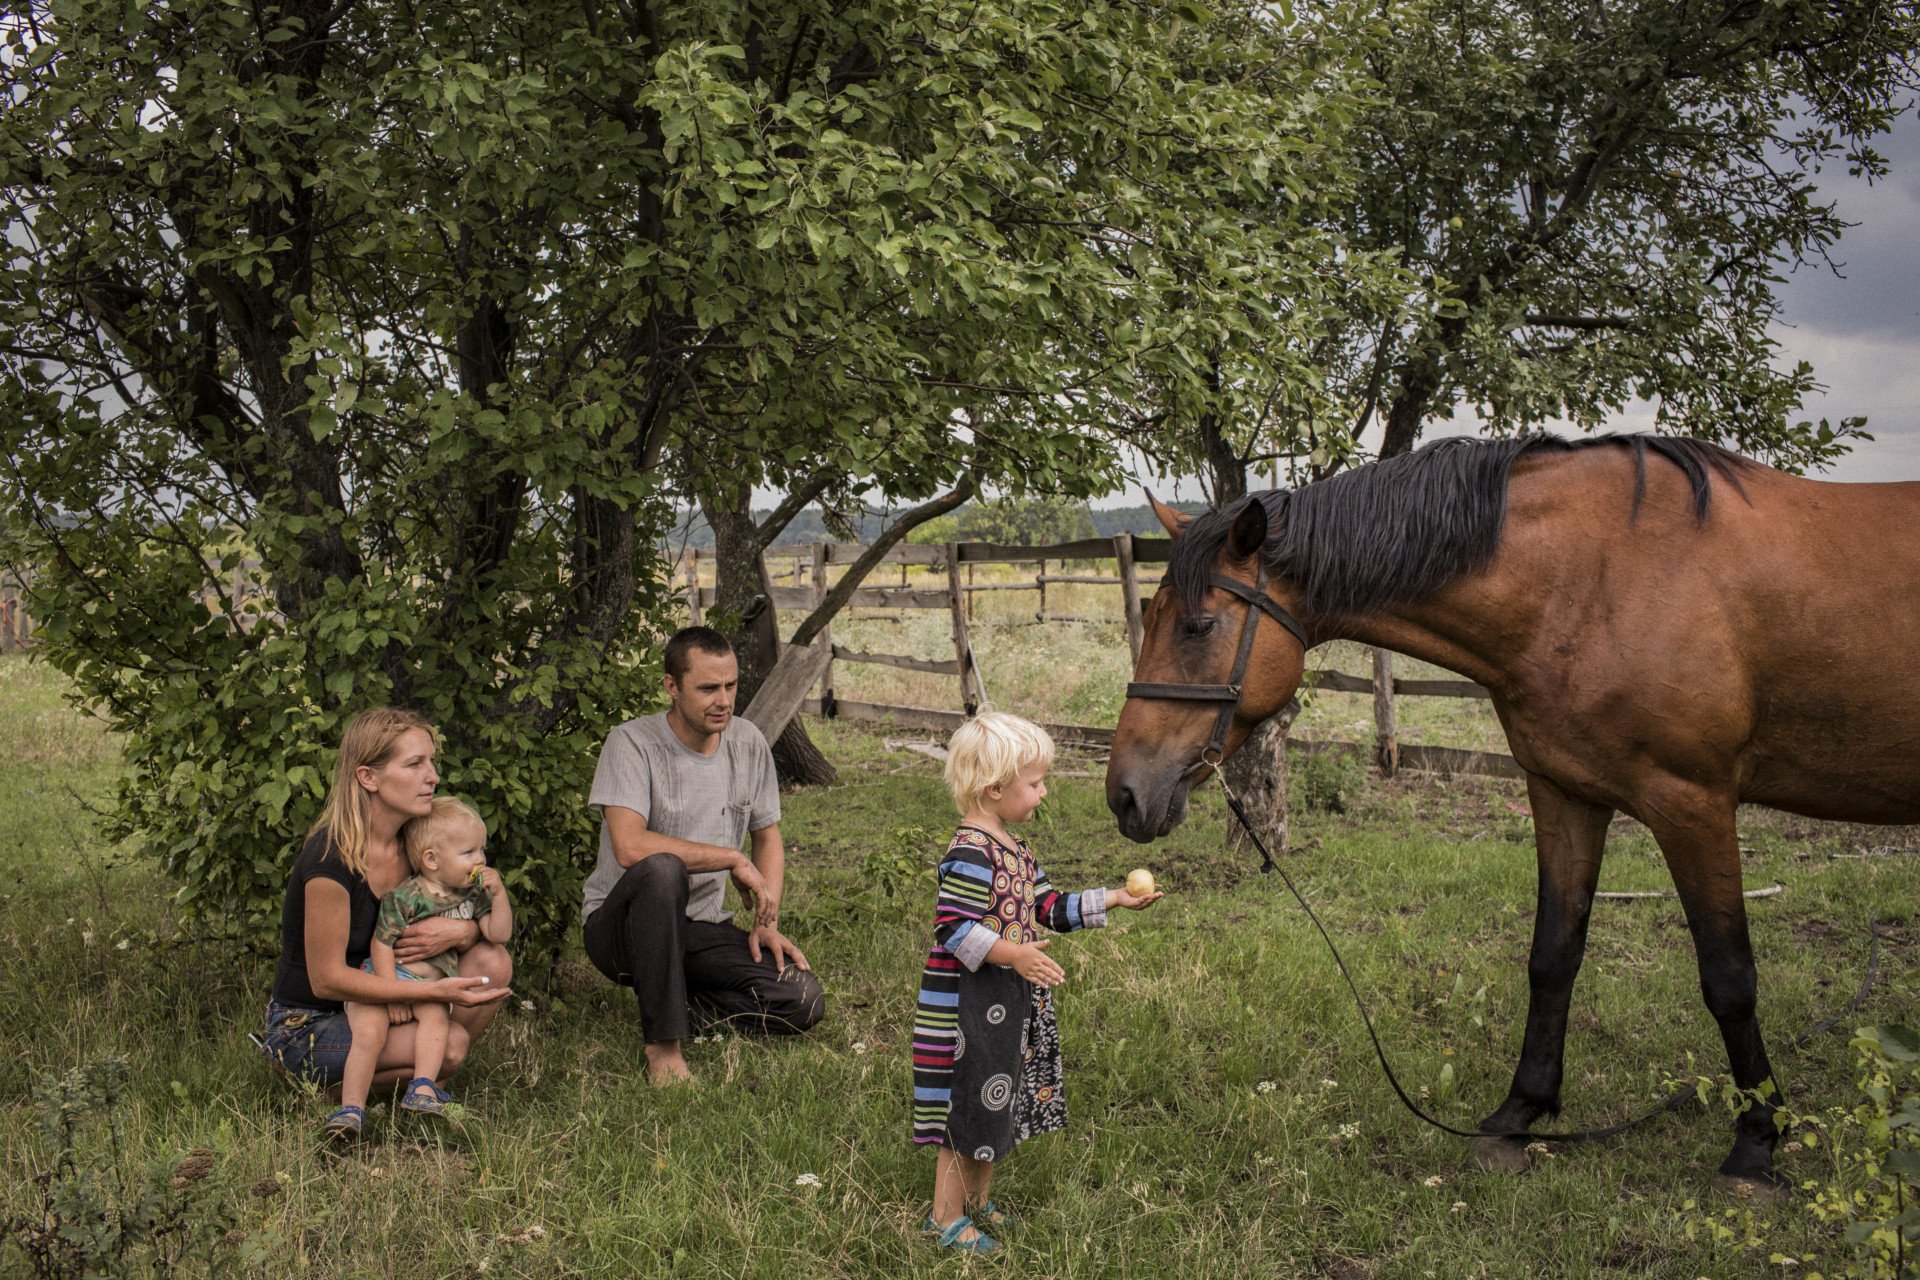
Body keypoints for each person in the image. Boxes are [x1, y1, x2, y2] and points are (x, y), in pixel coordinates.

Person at [911, 712, 1163, 1254]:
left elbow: (1046, 906)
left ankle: (978, 1202)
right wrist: (1014, 955)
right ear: (995, 787)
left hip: (1004, 1001)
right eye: (1035, 783)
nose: (1044, 793)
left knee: (994, 1099)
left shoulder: (1015, 849)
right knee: (965, 1106)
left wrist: (1114, 899)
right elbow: (953, 929)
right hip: (968, 1005)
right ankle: (944, 1216)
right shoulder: (971, 853)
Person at [582, 625, 825, 1085]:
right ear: (671, 687)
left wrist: (766, 922)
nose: (724, 700)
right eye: (708, 688)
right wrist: (730, 858)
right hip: (620, 930)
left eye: (731, 686)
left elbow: (767, 836)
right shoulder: (631, 743)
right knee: (662, 868)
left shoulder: (748, 742)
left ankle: (677, 1003)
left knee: (802, 999)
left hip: (697, 928)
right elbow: (630, 846)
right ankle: (664, 1050)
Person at [260, 708, 513, 1142]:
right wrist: (428, 992)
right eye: (414, 764)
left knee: (493, 959)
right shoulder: (330, 859)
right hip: (312, 1021)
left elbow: (473, 908)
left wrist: (465, 931)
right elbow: (326, 981)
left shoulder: (415, 841)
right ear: (368, 777)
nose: (432, 776)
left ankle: (424, 1094)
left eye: (431, 762)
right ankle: (327, 1093)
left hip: (388, 993)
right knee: (450, 1044)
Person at [340, 797, 514, 1123]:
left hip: (429, 988)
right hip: (386, 980)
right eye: (468, 853)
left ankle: (422, 1089)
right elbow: (381, 945)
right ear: (431, 859)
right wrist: (392, 992)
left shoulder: (473, 895)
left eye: (481, 850)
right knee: (369, 1035)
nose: (480, 860)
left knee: (436, 1021)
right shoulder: (406, 896)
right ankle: (350, 1109)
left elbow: (498, 933)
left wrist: (499, 895)